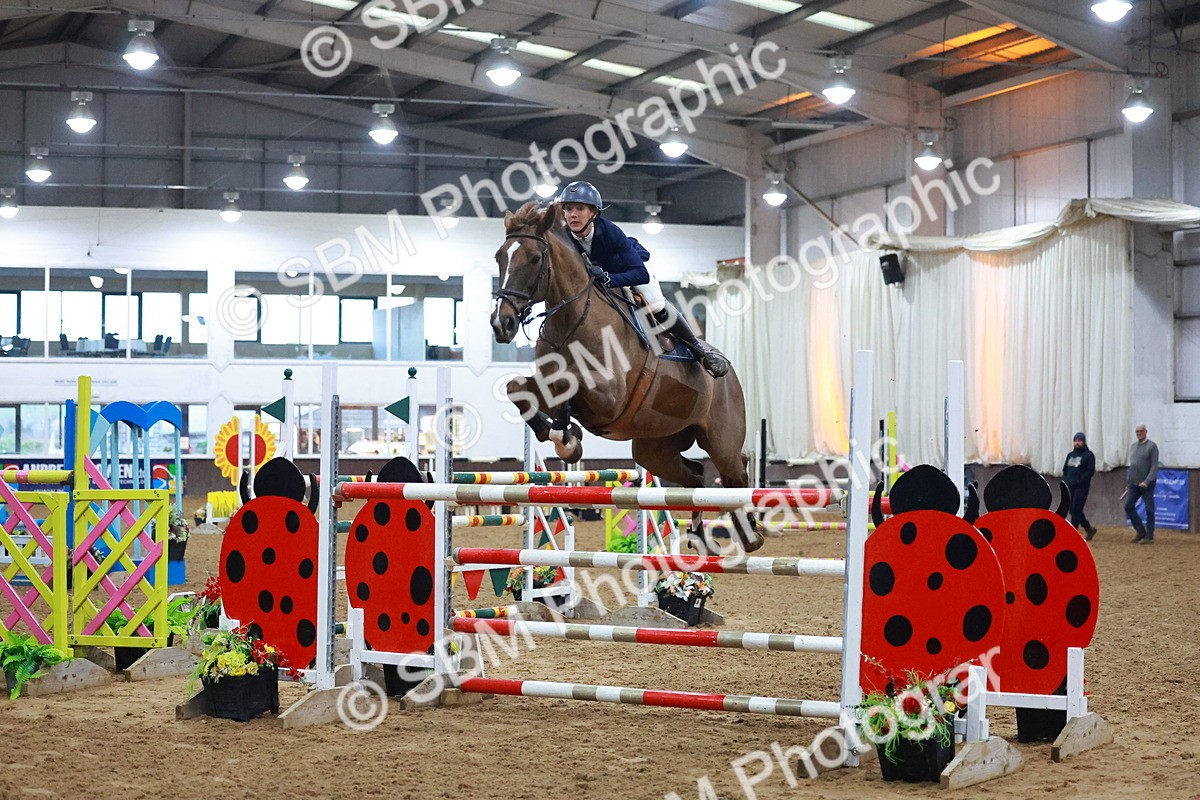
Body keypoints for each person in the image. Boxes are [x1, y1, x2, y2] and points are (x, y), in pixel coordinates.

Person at [556, 180, 731, 378]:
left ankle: (700, 352)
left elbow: (641, 274)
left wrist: (608, 278)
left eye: (580, 208)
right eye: (568, 209)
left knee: (656, 305)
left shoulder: (611, 232)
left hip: (631, 267)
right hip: (598, 276)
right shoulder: (564, 237)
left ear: (594, 213)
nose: (573, 214)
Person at [1125, 423, 1159, 544]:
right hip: (1134, 483)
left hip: (1147, 484)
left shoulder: (1152, 446)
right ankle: (1140, 531)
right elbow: (1133, 466)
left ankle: (1149, 536)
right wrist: (1129, 482)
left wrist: (1147, 481)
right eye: (1137, 431)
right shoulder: (1133, 446)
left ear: (1146, 432)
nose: (1139, 433)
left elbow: (1154, 466)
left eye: (1141, 431)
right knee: (1128, 506)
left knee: (1149, 509)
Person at [1062, 432, 1097, 541]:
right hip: (1070, 486)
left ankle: (1073, 533)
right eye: (1075, 440)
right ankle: (1088, 528)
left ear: (1083, 442)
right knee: (1072, 510)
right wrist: (1066, 480)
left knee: (1076, 508)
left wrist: (1080, 481)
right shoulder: (1070, 455)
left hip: (1082, 487)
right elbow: (1065, 469)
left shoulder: (1088, 455)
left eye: (1079, 440)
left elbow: (1090, 471)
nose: (1077, 442)